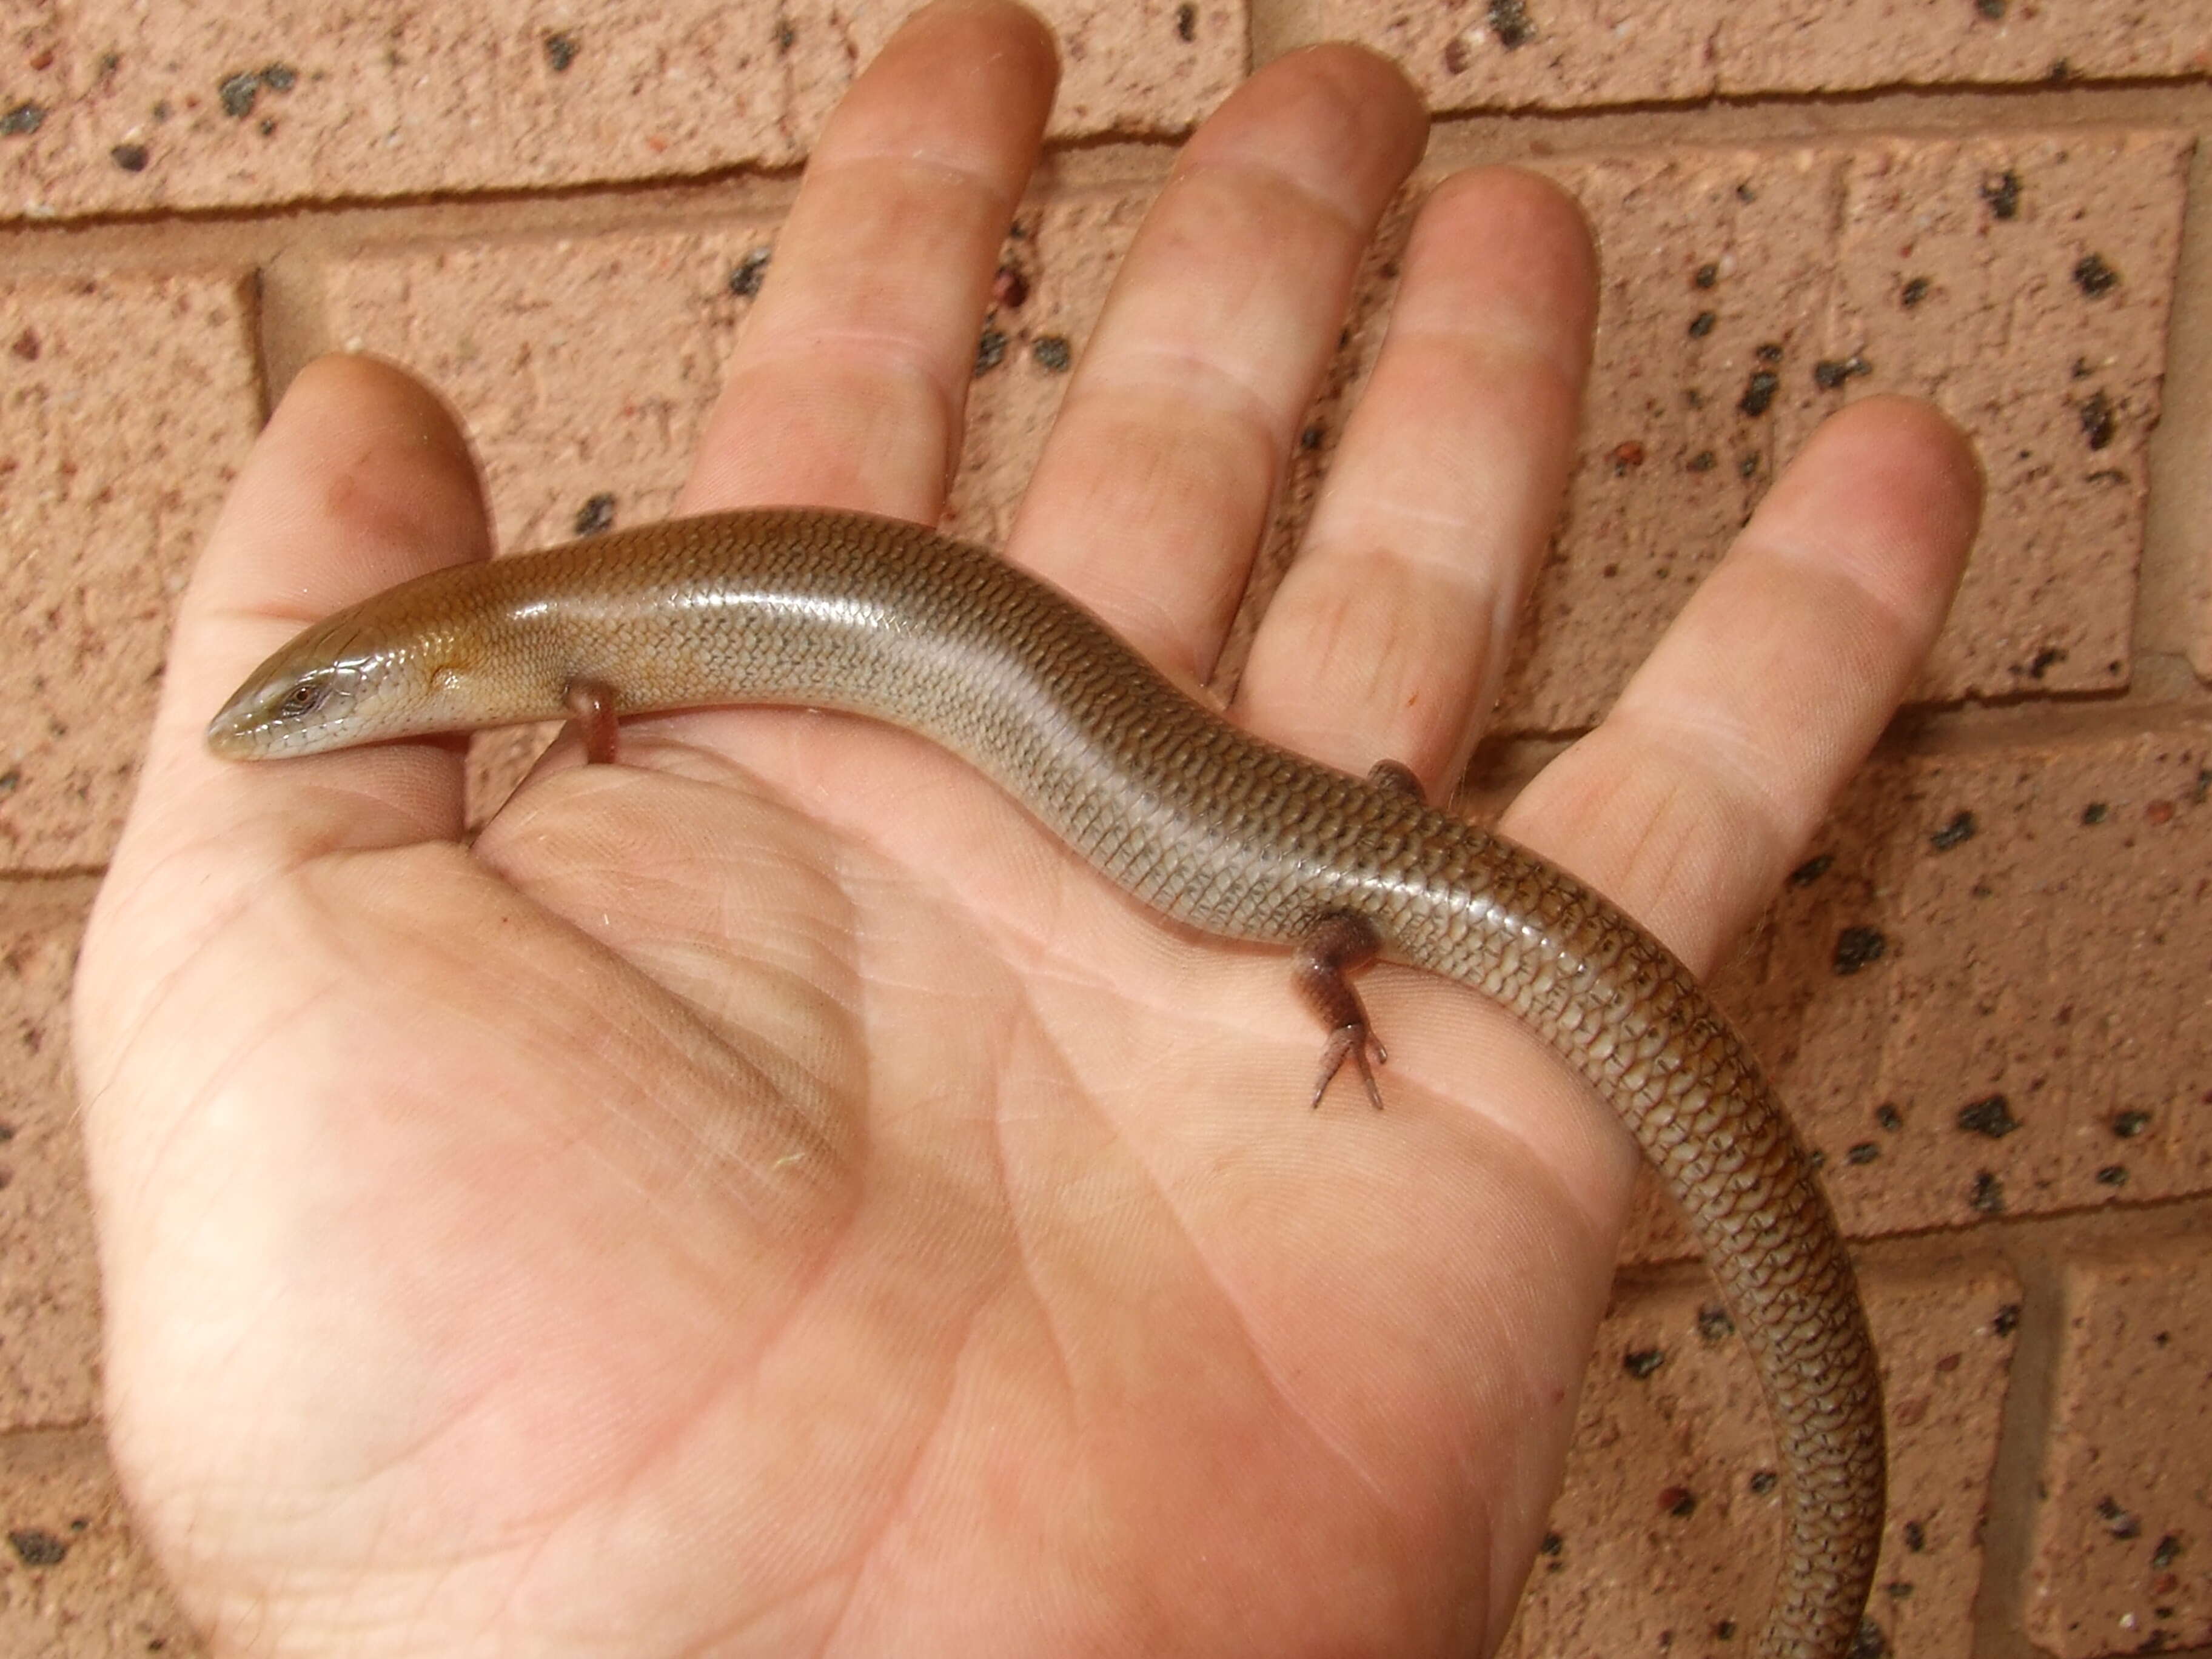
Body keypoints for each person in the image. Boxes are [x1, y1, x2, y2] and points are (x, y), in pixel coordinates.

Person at [73, 1, 1980, 1651]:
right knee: (1375, 885)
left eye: (324, 693)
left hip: (1317, 893)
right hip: (1341, 861)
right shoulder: (546, 645)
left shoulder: (565, 671)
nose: (300, 721)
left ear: (433, 663)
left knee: (1356, 927)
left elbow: (593, 714)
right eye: (315, 701)